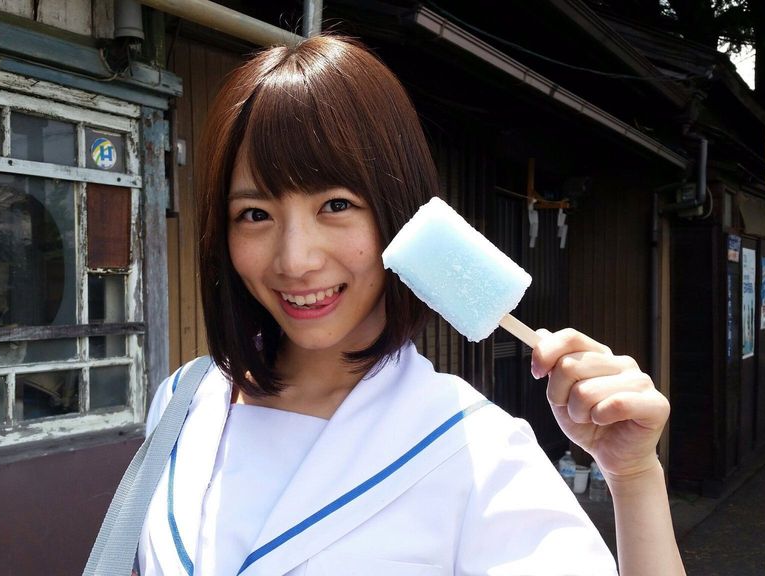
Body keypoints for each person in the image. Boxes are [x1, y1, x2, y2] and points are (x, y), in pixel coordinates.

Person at [133, 35, 684, 575]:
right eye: (255, 214)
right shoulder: (182, 400)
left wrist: (634, 477)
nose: (295, 260)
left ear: (400, 214)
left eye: (336, 204)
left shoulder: (477, 449)